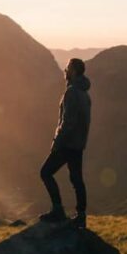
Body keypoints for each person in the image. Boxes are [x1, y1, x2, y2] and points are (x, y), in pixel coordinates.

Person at [40, 57, 92, 228]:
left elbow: (67, 122)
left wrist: (57, 142)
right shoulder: (85, 94)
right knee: (77, 179)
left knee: (46, 172)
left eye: (68, 68)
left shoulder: (71, 93)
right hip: (78, 145)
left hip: (67, 144)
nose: (65, 70)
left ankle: (57, 210)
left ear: (74, 71)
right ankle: (81, 216)